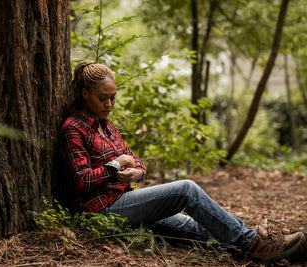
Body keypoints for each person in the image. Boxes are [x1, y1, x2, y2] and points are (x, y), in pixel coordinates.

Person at [60, 59, 306, 265]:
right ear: (85, 93)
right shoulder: (74, 128)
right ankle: (255, 244)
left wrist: (136, 172)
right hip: (103, 211)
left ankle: (283, 252)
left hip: (128, 205)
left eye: (113, 97)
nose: (109, 104)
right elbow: (82, 181)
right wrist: (115, 166)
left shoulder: (107, 126)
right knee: (186, 189)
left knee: (200, 228)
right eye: (103, 98)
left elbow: (136, 161)